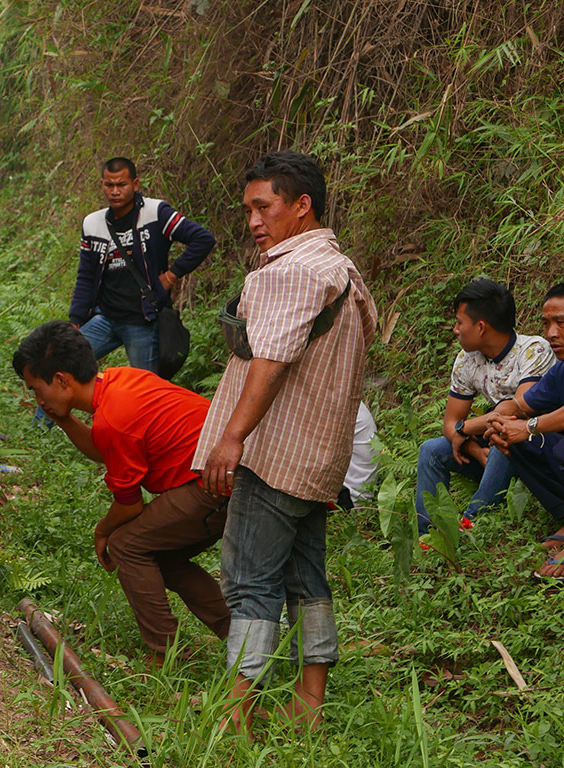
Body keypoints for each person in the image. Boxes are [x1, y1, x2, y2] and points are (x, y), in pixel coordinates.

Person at [194, 150, 377, 735]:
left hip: (275, 455)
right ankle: (309, 702)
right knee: (306, 579)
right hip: (319, 460)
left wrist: (231, 439)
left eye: (263, 206)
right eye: (247, 208)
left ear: (302, 206)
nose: (252, 220)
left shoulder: (290, 272)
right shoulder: (343, 272)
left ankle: (236, 712)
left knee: (249, 581)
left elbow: (269, 361)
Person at [13, 321, 230, 664]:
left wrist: (102, 531)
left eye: (37, 390)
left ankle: (164, 654)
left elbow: (129, 507)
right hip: (220, 476)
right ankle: (237, 636)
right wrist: (65, 418)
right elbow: (104, 448)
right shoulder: (120, 380)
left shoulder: (114, 418)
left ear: (61, 380)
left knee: (127, 544)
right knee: (162, 554)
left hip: (213, 483)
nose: (38, 400)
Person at [414, 280, 551, 535]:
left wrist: (465, 428)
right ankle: (431, 534)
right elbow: (449, 424)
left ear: (480, 326)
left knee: (503, 431)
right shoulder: (467, 360)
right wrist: (475, 451)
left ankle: (472, 522)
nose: (455, 330)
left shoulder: (532, 350)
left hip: (537, 442)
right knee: (431, 451)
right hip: (490, 442)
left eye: (459, 322)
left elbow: (519, 410)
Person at [67, 157, 215, 371]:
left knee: (145, 390)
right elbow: (86, 276)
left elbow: (203, 239)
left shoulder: (156, 213)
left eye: (121, 184)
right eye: (109, 185)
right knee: (61, 366)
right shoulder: (93, 224)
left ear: (135, 184)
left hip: (142, 321)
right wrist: (76, 319)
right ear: (102, 185)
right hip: (105, 317)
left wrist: (171, 275)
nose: (115, 191)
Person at [486, 282, 564, 578]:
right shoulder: (560, 369)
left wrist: (529, 427)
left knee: (534, 435)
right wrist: (500, 418)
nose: (551, 333)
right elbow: (521, 404)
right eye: (546, 323)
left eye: (561, 323)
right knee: (517, 437)